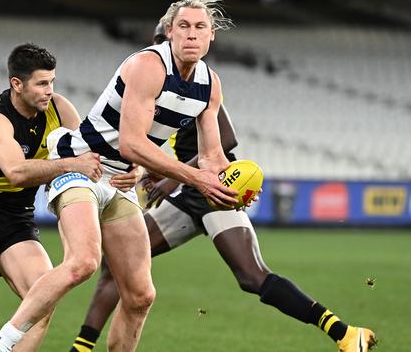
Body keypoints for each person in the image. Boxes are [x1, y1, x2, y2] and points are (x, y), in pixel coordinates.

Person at [66, 25, 378, 352]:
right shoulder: (151, 79)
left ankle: (344, 333)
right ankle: (83, 346)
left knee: (252, 276)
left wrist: (174, 176)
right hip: (189, 193)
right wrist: (156, 170)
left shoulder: (197, 82)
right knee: (117, 263)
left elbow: (224, 140)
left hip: (215, 189)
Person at [0, 0, 241, 352]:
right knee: (84, 262)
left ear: (211, 36)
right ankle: (1, 345)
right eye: (183, 26)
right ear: (168, 32)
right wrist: (194, 178)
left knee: (140, 296)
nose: (191, 35)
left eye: (200, 28)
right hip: (82, 165)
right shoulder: (149, 65)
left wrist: (233, 184)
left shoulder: (210, 85)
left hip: (120, 181)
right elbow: (133, 143)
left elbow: (211, 158)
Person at [0, 43, 140, 352]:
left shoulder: (59, 107)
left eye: (52, 81)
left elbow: (93, 154)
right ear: (17, 84)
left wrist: (133, 171)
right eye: (41, 83)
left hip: (18, 216)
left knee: (42, 302)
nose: (49, 90)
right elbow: (16, 172)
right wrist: (71, 164)